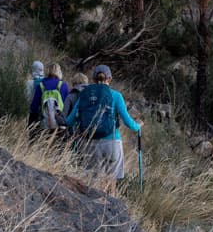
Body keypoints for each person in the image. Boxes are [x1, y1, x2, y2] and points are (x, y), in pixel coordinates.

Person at [65, 64, 143, 195]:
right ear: (110, 79)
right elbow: (129, 122)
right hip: (112, 143)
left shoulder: (84, 95)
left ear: (93, 79)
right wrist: (138, 125)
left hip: (89, 143)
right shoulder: (116, 96)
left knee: (92, 181)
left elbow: (69, 121)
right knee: (111, 181)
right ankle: (110, 208)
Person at [30, 62, 70, 130]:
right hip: (60, 124)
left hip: (45, 124)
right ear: (59, 72)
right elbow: (68, 106)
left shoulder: (41, 85)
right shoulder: (63, 85)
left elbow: (34, 107)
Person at [25, 60, 44, 126]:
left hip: (33, 113)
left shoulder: (29, 83)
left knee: (33, 134)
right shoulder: (46, 83)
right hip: (45, 114)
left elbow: (27, 99)